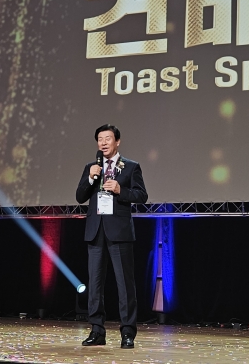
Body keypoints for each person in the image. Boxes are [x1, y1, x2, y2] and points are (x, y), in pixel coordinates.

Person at [76, 124, 148, 349]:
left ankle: (127, 332)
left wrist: (120, 190)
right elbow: (80, 197)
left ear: (117, 141)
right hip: (96, 231)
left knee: (124, 284)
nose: (103, 143)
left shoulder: (131, 167)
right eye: (100, 139)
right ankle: (97, 330)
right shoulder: (91, 167)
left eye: (107, 138)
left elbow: (142, 195)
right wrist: (91, 178)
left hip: (119, 231)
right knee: (95, 284)